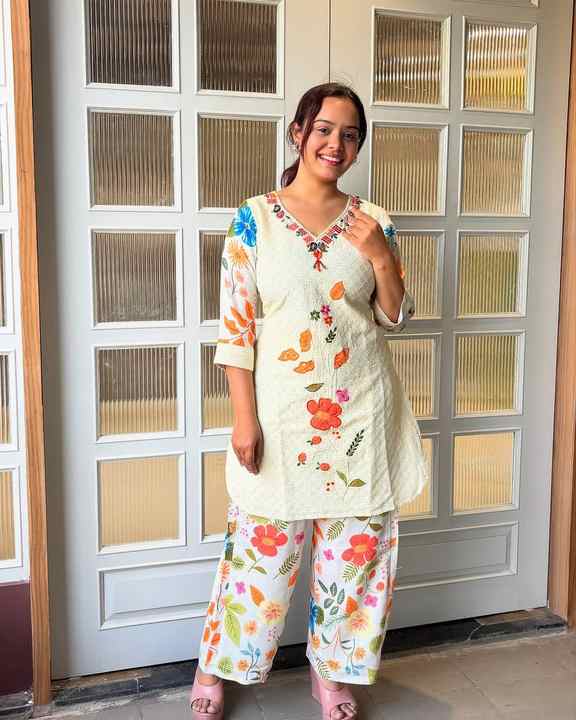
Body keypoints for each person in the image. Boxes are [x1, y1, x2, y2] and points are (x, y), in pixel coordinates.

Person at [190, 82, 428, 720]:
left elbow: (394, 316)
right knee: (259, 556)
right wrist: (244, 419)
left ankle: (333, 675)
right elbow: (236, 330)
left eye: (350, 135)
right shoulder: (256, 219)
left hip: (361, 417)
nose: (335, 144)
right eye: (324, 129)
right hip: (283, 417)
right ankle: (216, 665)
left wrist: (379, 256)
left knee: (355, 558)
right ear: (298, 133)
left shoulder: (374, 220)